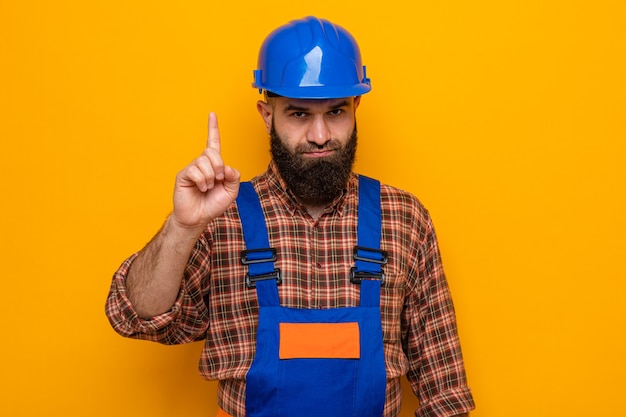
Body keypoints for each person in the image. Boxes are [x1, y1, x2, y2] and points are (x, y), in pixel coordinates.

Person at [105, 16, 475, 417]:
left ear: (356, 107)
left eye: (336, 112)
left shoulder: (404, 220)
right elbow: (134, 316)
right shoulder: (222, 220)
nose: (319, 135)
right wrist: (183, 227)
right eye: (299, 114)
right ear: (267, 115)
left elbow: (445, 393)